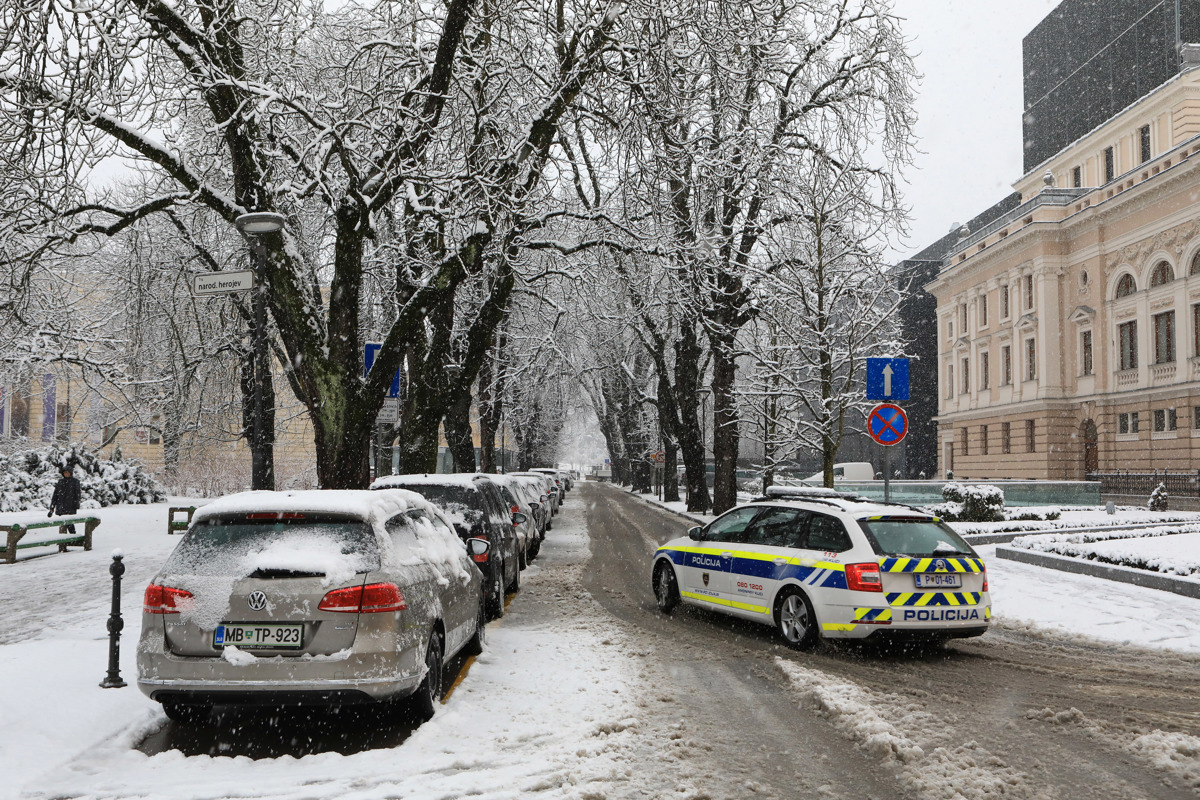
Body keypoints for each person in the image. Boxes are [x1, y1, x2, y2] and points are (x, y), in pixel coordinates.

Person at [48, 467, 82, 535]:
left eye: (67, 472)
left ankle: (71, 537)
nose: (66, 474)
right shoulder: (60, 482)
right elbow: (55, 495)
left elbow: (77, 494)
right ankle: (64, 539)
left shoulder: (75, 482)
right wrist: (52, 508)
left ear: (70, 473)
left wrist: (76, 504)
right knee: (62, 523)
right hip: (61, 506)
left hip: (70, 506)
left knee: (69, 522)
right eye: (64, 472)